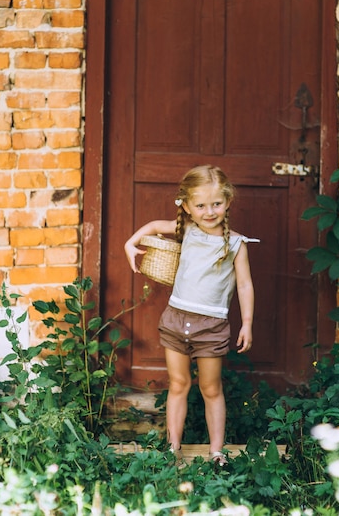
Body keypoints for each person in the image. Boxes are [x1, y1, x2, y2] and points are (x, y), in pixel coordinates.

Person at [124, 165, 257, 468]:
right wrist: (130, 244)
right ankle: (173, 448)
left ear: (228, 202)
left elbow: (246, 285)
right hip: (176, 320)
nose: (209, 211)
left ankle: (217, 451)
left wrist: (247, 322)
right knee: (178, 384)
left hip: (211, 326)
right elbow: (155, 224)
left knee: (211, 388)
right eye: (200, 205)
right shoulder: (188, 231)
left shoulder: (236, 244)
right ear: (186, 206)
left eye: (216, 204)